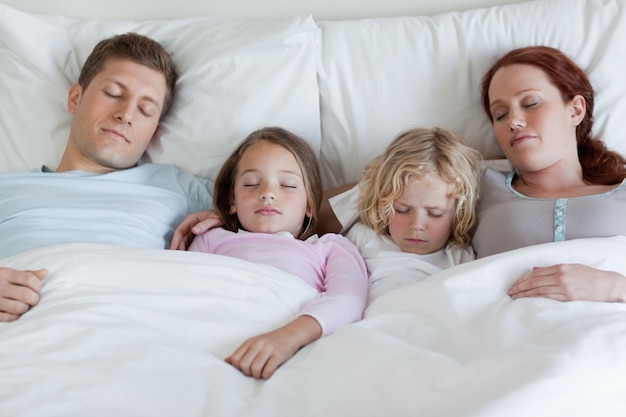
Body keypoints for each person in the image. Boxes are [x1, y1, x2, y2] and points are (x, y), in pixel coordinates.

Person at [0, 33, 212, 322]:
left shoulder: (180, 189)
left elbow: (281, 214)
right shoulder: (6, 189)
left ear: (153, 130)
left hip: (128, 325)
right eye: (113, 93)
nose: (126, 114)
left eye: (145, 110)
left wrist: (227, 218)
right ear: (75, 98)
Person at [187, 126, 367, 379]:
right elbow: (185, 290)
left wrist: (287, 337)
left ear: (309, 205)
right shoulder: (211, 240)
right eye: (251, 183)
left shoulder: (330, 248)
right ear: (232, 200)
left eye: (288, 185)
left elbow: (349, 300)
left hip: (293, 345)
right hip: (212, 343)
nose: (268, 193)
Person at [476, 45, 626, 302]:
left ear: (575, 110)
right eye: (500, 114)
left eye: (531, 103)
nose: (514, 121)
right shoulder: (478, 189)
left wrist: (613, 287)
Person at [331, 127, 480, 303]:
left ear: (458, 213)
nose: (417, 224)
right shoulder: (362, 239)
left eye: (435, 213)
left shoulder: (461, 257)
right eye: (402, 209)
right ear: (383, 204)